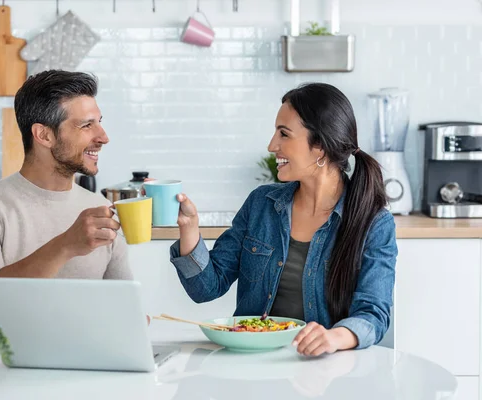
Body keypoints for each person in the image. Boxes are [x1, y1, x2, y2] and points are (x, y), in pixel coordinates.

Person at [169, 83, 397, 356]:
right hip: (254, 364)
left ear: (320, 147)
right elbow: (206, 288)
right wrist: (190, 230)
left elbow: (373, 314)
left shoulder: (373, 222)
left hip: (327, 369)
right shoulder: (261, 204)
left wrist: (335, 337)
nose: (271, 145)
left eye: (284, 134)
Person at [0, 70, 130, 312]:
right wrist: (65, 245)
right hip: (12, 351)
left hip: (87, 351)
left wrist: (133, 319)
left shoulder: (100, 209)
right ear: (44, 135)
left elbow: (122, 304)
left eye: (99, 122)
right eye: (87, 125)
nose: (103, 137)